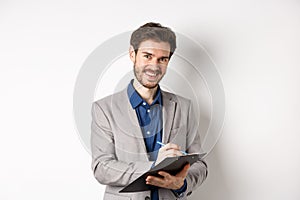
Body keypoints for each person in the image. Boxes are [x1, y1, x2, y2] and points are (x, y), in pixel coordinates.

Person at [91, 22, 207, 200]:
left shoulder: (184, 107)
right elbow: (102, 168)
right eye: (148, 56)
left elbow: (200, 164)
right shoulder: (104, 109)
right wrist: (153, 166)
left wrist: (181, 184)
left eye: (162, 59)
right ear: (133, 54)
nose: (154, 66)